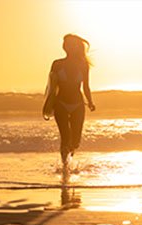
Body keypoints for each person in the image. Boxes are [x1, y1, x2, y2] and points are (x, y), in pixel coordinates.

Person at [43, 34, 96, 165]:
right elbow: (50, 87)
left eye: (71, 44)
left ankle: (70, 158)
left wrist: (90, 102)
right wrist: (47, 105)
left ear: (77, 47)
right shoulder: (57, 64)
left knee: (75, 142)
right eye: (66, 44)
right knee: (65, 138)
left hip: (78, 105)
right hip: (60, 104)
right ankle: (65, 168)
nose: (68, 46)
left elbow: (86, 86)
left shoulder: (83, 65)